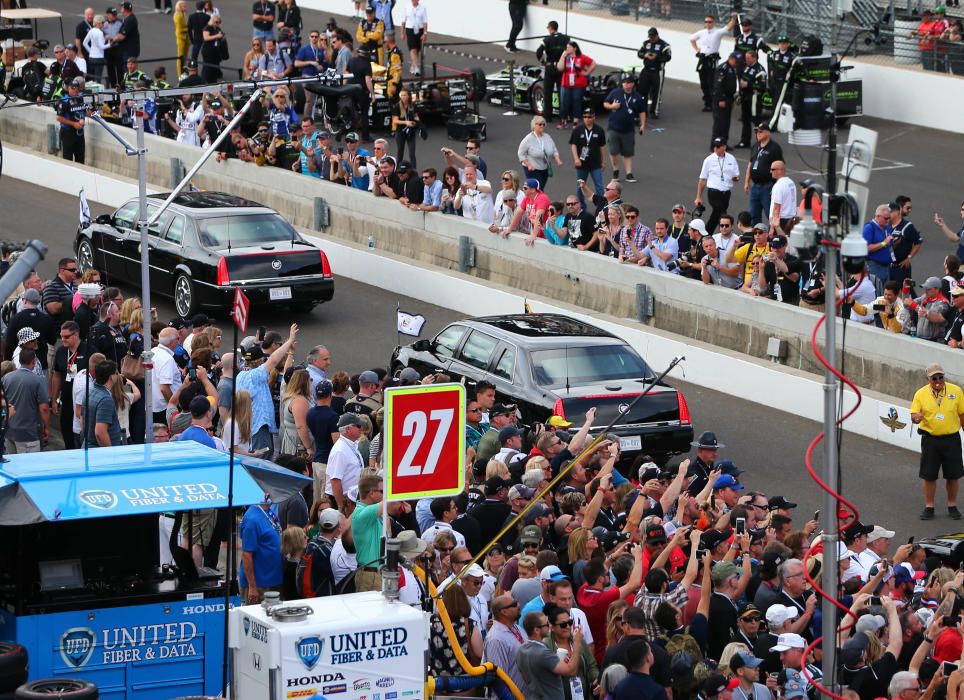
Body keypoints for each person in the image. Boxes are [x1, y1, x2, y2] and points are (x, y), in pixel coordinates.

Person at [910, 363, 964, 520]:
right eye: (934, 378)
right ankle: (929, 506)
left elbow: (962, 414)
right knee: (929, 475)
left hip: (951, 439)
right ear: (928, 379)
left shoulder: (956, 391)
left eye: (941, 377)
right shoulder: (921, 394)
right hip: (930, 440)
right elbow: (914, 415)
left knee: (953, 475)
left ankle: (952, 505)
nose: (938, 380)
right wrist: (916, 418)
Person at [518, 610, 585, 699]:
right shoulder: (543, 653)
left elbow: (525, 678)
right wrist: (577, 643)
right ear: (536, 630)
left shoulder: (521, 650)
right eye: (546, 624)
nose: (550, 626)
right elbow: (571, 671)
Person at [544, 602, 599, 700]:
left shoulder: (577, 640)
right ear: (552, 627)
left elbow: (591, 665)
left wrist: (596, 680)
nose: (568, 627)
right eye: (563, 625)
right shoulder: (546, 646)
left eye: (570, 622)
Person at [2, 348, 50, 454]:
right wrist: (46, 427)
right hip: (29, 435)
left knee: (12, 467)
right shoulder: (38, 380)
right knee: (29, 468)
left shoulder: (6, 378)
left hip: (9, 432)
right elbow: (44, 408)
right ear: (33, 361)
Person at [603, 74, 646, 183]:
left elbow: (642, 111)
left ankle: (629, 173)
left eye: (628, 82)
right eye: (624, 82)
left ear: (632, 84)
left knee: (628, 152)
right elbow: (605, 103)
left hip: (628, 129)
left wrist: (643, 124)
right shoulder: (616, 92)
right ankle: (615, 171)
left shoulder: (637, 97)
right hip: (613, 127)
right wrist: (612, 106)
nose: (626, 85)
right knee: (613, 151)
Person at [690, 13, 736, 111]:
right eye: (706, 22)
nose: (708, 24)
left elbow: (728, 27)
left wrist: (733, 18)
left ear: (713, 23)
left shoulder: (717, 32)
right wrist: (697, 49)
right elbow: (691, 39)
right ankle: (707, 103)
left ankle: (713, 103)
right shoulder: (701, 32)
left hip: (712, 59)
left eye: (710, 22)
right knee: (703, 83)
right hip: (702, 59)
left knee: (712, 82)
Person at [696, 137, 740, 234]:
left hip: (726, 194)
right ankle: (728, 234)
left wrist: (735, 178)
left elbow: (737, 176)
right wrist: (698, 197)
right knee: (723, 215)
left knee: (715, 216)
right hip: (713, 193)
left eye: (718, 146)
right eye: (714, 146)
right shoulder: (709, 160)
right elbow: (702, 179)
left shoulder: (731, 159)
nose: (715, 148)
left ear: (724, 147)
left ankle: (705, 235)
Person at [485, 594, 528, 693]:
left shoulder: (518, 628)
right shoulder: (496, 639)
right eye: (514, 604)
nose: (519, 605)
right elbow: (498, 678)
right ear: (504, 612)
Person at [326, 413, 365, 511]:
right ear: (348, 429)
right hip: (342, 500)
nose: (361, 429)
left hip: (351, 498)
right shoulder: (340, 450)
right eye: (358, 426)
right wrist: (341, 507)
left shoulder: (351, 445)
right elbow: (335, 480)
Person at [570, 109, 607, 206]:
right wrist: (576, 159)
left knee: (599, 186)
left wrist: (603, 161)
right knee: (580, 186)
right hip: (582, 163)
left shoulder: (599, 130)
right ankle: (581, 207)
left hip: (595, 163)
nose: (587, 119)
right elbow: (573, 145)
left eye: (589, 117)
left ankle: (602, 205)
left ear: (594, 117)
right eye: (585, 117)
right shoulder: (578, 130)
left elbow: (602, 147)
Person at [82, 359, 123, 447]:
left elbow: (82, 420)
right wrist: (109, 453)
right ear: (111, 377)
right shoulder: (105, 399)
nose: (118, 375)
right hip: (99, 453)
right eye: (116, 373)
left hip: (88, 446)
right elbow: (100, 433)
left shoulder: (89, 391)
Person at [556, 41, 596, 129]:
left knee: (576, 102)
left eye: (569, 47)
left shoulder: (581, 57)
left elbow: (593, 63)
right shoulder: (565, 57)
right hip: (566, 83)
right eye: (566, 47)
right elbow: (560, 68)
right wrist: (563, 56)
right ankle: (563, 121)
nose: (567, 49)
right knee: (564, 102)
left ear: (575, 48)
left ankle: (575, 122)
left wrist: (587, 73)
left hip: (579, 84)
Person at [518, 116, 562, 191]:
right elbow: (521, 153)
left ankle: (537, 201)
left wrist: (558, 160)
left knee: (541, 188)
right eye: (540, 124)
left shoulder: (547, 137)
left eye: (543, 124)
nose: (542, 126)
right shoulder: (528, 139)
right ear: (534, 125)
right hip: (533, 169)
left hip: (544, 167)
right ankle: (535, 202)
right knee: (537, 189)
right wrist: (528, 164)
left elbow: (554, 149)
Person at [537, 21, 568, 122]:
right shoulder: (565, 38)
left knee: (548, 93)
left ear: (550, 28)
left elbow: (538, 52)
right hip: (561, 67)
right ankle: (563, 117)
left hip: (550, 67)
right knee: (561, 93)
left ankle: (548, 117)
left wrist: (542, 61)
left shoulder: (546, 40)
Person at [712, 52, 739, 147]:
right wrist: (721, 99)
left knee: (726, 124)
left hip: (728, 99)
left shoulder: (731, 68)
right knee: (719, 123)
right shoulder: (723, 69)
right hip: (721, 99)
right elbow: (718, 85)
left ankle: (724, 144)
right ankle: (715, 145)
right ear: (731, 59)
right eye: (736, 61)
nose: (737, 64)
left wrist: (733, 100)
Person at [56, 80, 87, 164]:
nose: (75, 90)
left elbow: (87, 111)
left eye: (77, 88)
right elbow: (58, 118)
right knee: (67, 161)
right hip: (68, 133)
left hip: (80, 134)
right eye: (73, 88)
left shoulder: (81, 99)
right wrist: (74, 124)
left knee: (80, 160)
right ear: (69, 88)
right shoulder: (64, 101)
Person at [400, 0, 428, 75]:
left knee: (417, 49)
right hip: (410, 29)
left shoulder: (423, 8)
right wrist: (402, 33)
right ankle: (416, 67)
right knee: (413, 49)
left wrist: (425, 33)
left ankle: (413, 65)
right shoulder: (407, 7)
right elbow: (403, 21)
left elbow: (425, 22)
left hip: (420, 30)